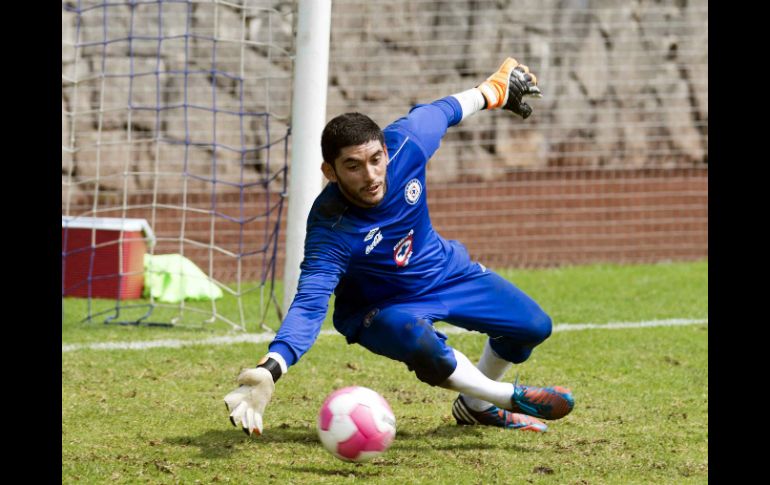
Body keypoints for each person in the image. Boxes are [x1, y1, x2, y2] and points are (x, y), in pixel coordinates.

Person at [224, 57, 574, 435]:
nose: (371, 175)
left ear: (386, 152)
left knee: (533, 326)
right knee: (417, 339)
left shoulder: (407, 142)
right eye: (353, 166)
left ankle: (475, 406)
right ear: (330, 172)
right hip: (380, 310)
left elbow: (443, 111)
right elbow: (309, 305)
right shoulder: (331, 228)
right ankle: (504, 397)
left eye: (376, 159)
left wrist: (492, 92)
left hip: (443, 272)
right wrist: (270, 367)